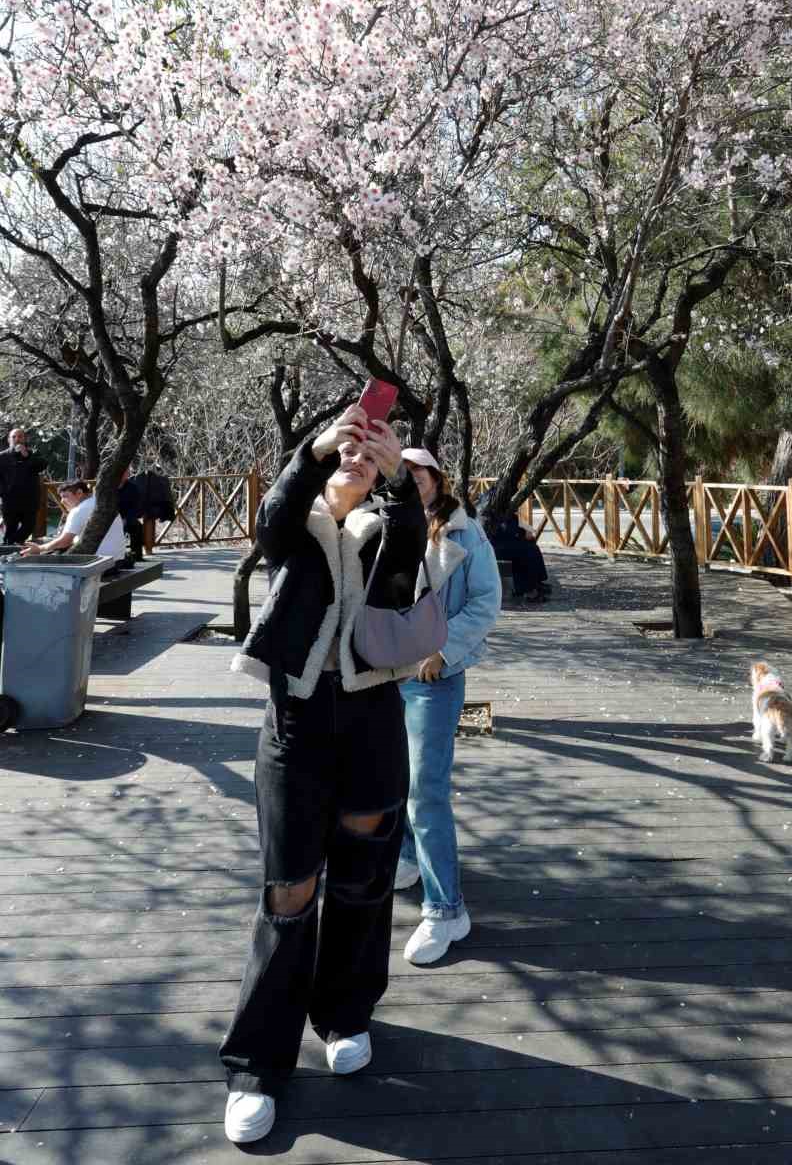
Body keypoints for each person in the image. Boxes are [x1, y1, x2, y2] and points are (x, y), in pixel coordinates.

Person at [219, 404, 427, 1147]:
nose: (355, 463)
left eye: (366, 460)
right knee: (287, 890)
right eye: (347, 455)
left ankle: (344, 1012)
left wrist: (398, 473)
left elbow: (411, 541)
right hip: (296, 729)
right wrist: (317, 446)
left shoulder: (384, 531)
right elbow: (273, 510)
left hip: (372, 725)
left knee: (364, 879)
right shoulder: (293, 529)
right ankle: (258, 1063)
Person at [395, 448, 501, 964]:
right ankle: (406, 857)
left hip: (432, 677)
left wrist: (444, 648)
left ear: (437, 478)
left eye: (420, 471)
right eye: (402, 471)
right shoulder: (382, 522)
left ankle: (446, 909)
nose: (411, 479)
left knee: (425, 791)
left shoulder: (465, 533)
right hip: (380, 671)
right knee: (387, 776)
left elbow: (485, 601)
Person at [19, 479, 127, 566]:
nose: (62, 501)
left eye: (65, 496)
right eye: (61, 497)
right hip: (118, 559)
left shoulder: (79, 510)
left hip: (100, 564)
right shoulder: (98, 502)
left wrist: (39, 549)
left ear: (79, 493)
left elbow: (64, 541)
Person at [485, 508, 551, 604]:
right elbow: (500, 534)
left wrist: (526, 531)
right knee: (525, 553)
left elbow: (516, 527)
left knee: (532, 548)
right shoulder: (490, 515)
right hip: (497, 548)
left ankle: (536, 583)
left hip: (507, 543)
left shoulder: (510, 515)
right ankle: (529, 591)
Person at [0, 428, 42, 546]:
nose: (17, 439)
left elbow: (42, 466)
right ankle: (8, 551)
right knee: (10, 529)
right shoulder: (2, 457)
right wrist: (3, 492)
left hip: (30, 499)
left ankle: (13, 543)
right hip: (10, 501)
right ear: (9, 440)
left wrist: (26, 455)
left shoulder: (34, 454)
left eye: (20, 436)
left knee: (28, 527)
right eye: (14, 437)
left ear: (25, 439)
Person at [117, 469, 145, 562]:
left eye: (126, 472)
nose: (124, 474)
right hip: (112, 517)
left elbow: (137, 505)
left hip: (128, 516)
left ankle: (136, 556)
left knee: (137, 526)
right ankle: (118, 556)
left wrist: (127, 518)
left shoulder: (132, 487)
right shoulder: (109, 487)